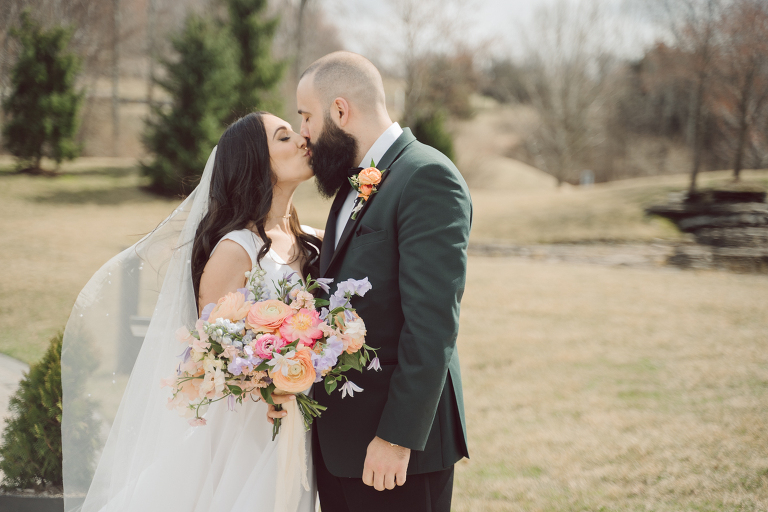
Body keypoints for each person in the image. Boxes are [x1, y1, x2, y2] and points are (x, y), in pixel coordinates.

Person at [61, 112, 323, 512]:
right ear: (255, 161)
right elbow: (213, 356)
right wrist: (269, 386)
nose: (303, 141)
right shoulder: (235, 250)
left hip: (296, 429)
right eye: (284, 137)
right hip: (246, 437)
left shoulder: (309, 243)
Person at [288, 51, 472, 512]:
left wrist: (396, 437)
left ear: (340, 110)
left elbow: (432, 327)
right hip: (341, 446)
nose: (304, 134)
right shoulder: (351, 184)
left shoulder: (427, 177)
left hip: (393, 452)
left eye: (306, 117)